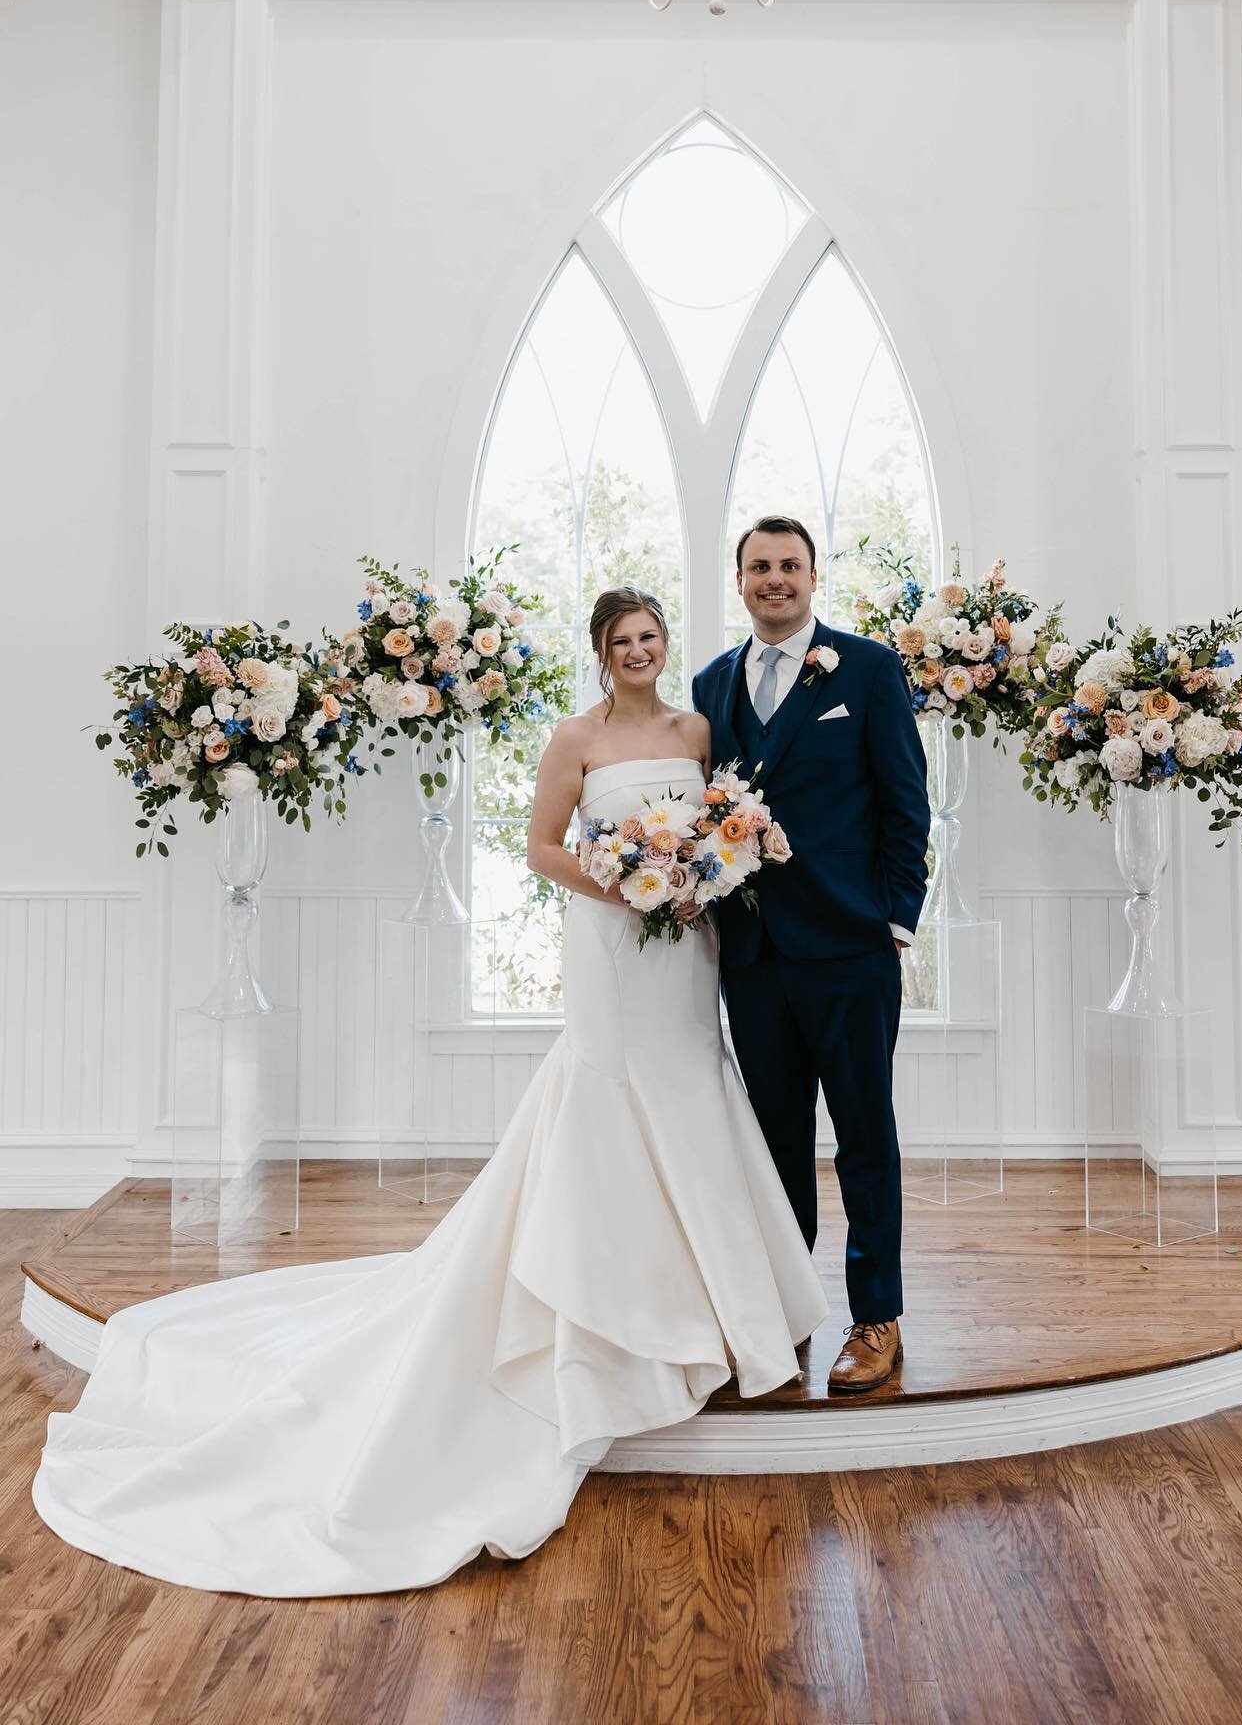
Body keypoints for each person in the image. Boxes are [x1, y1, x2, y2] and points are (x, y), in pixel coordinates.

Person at [30, 587, 827, 1598]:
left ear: (665, 647)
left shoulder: (696, 726)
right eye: (622, 640)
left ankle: (719, 1314)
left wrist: (694, 870)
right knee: (612, 1096)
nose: (639, 651)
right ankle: (607, 1318)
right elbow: (543, 846)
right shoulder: (571, 738)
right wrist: (623, 883)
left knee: (692, 1095)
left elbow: (715, 820)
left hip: (685, 951)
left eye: (651, 637)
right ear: (599, 652)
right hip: (615, 947)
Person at [692, 517, 930, 1393]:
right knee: (776, 1143)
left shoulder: (865, 669)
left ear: (813, 576)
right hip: (752, 956)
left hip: (849, 949)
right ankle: (787, 1315)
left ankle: (877, 1318)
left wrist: (895, 921)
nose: (775, 580)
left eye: (790, 565)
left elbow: (908, 806)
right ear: (740, 578)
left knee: (866, 1138)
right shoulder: (710, 683)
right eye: (760, 566)